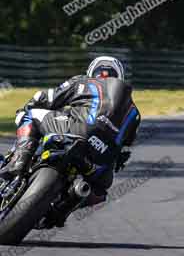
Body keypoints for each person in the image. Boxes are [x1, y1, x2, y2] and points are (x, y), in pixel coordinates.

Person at [0, 56, 140, 227]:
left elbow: (46, 97)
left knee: (31, 115)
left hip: (75, 131)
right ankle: (63, 209)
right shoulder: (134, 112)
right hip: (100, 163)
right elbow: (126, 148)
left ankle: (18, 163)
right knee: (99, 191)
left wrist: (27, 107)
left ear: (92, 72)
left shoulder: (84, 82)